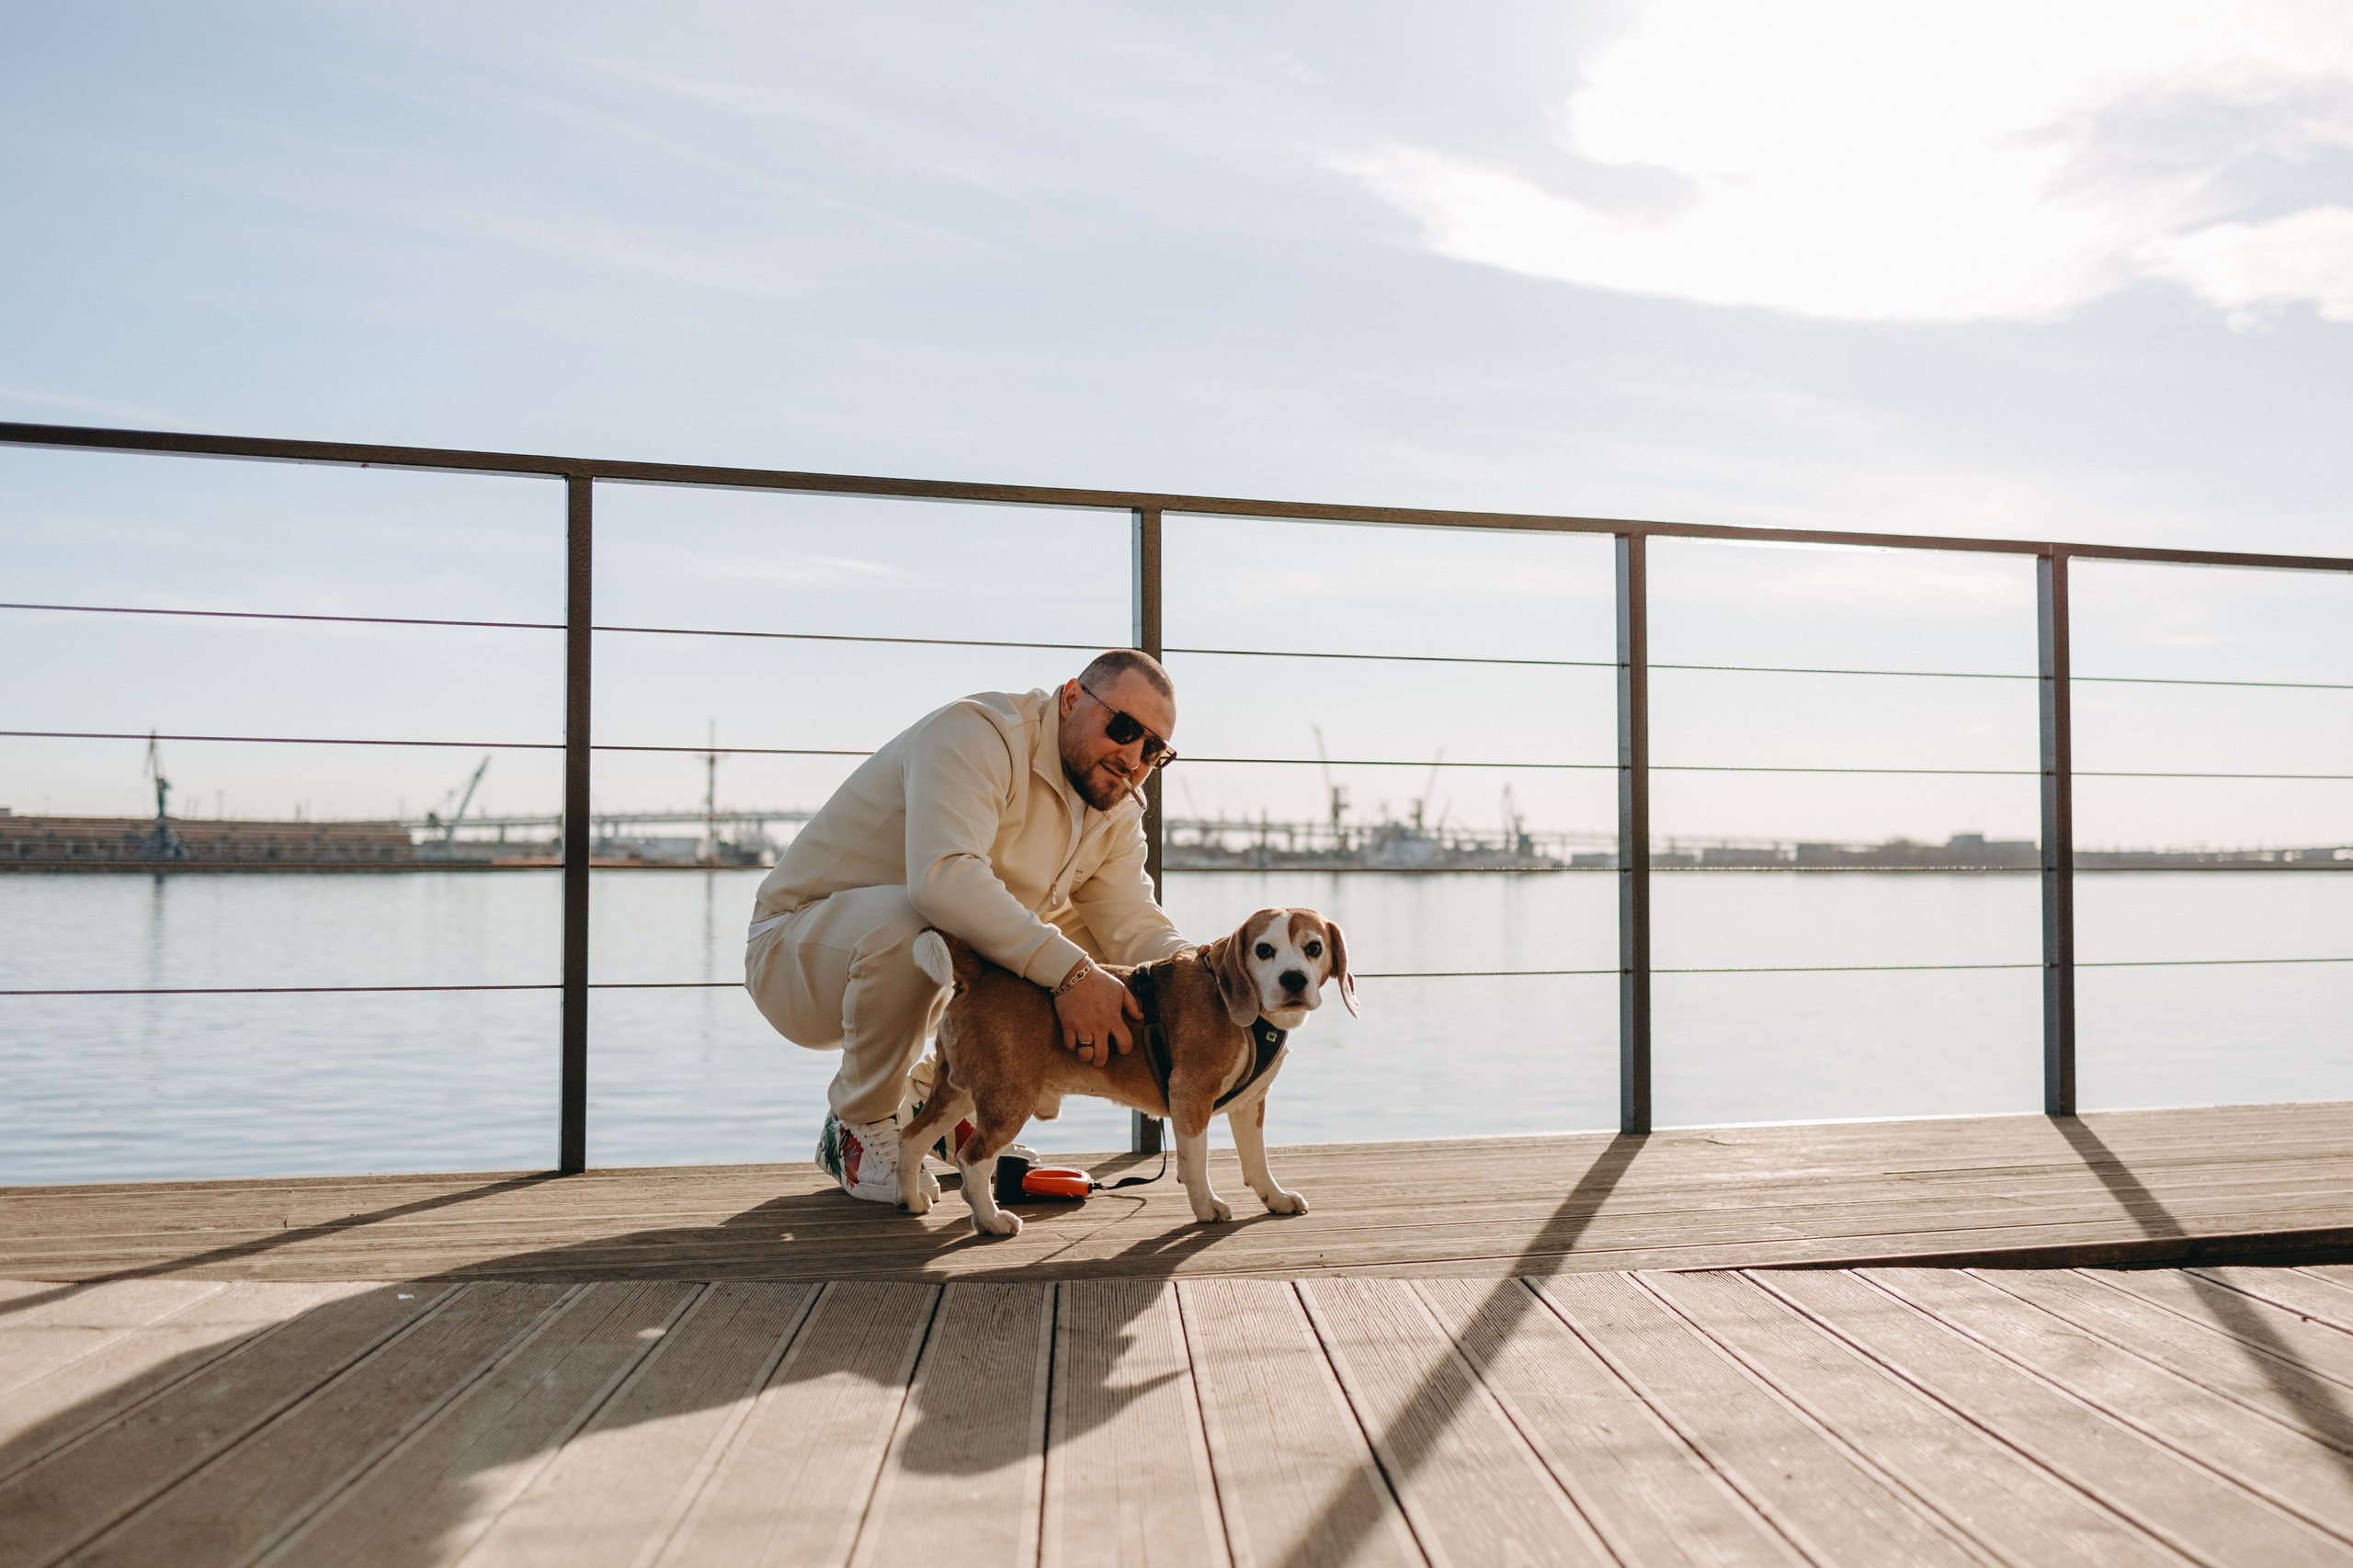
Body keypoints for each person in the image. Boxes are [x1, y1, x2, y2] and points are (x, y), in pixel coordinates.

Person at [745, 649, 1187, 1202]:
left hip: (926, 963)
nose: (1134, 758)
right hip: (795, 954)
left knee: (1112, 958)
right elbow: (943, 880)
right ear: (1071, 697)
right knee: (931, 922)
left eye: (1154, 749)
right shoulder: (977, 734)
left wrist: (1211, 976)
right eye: (1123, 728)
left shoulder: (1114, 805)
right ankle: (858, 1123)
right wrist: (1072, 976)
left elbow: (1133, 923)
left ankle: (936, 1103)